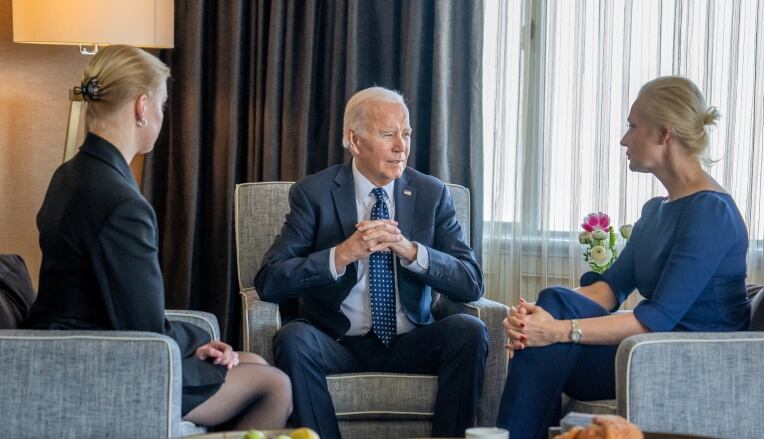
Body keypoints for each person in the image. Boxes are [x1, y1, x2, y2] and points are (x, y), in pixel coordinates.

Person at [25, 45, 292, 430]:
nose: (163, 116)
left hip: (75, 350)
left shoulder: (70, 174)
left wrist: (195, 340)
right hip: (103, 367)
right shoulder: (121, 203)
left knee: (254, 363)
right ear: (141, 106)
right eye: (163, 106)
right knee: (274, 385)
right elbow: (147, 330)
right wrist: (199, 335)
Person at [496, 76, 750, 439]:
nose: (623, 139)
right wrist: (538, 316)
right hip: (648, 352)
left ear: (664, 134)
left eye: (633, 126)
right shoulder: (657, 211)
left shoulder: (711, 213)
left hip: (693, 361)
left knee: (550, 334)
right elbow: (608, 290)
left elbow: (657, 319)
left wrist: (555, 328)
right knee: (552, 303)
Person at [255, 86, 488, 438]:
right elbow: (269, 279)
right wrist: (343, 254)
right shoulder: (313, 194)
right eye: (387, 134)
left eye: (405, 134)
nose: (401, 146)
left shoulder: (431, 193)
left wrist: (412, 253)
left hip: (412, 341)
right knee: (293, 338)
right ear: (354, 139)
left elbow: (471, 280)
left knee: (470, 330)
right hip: (338, 341)